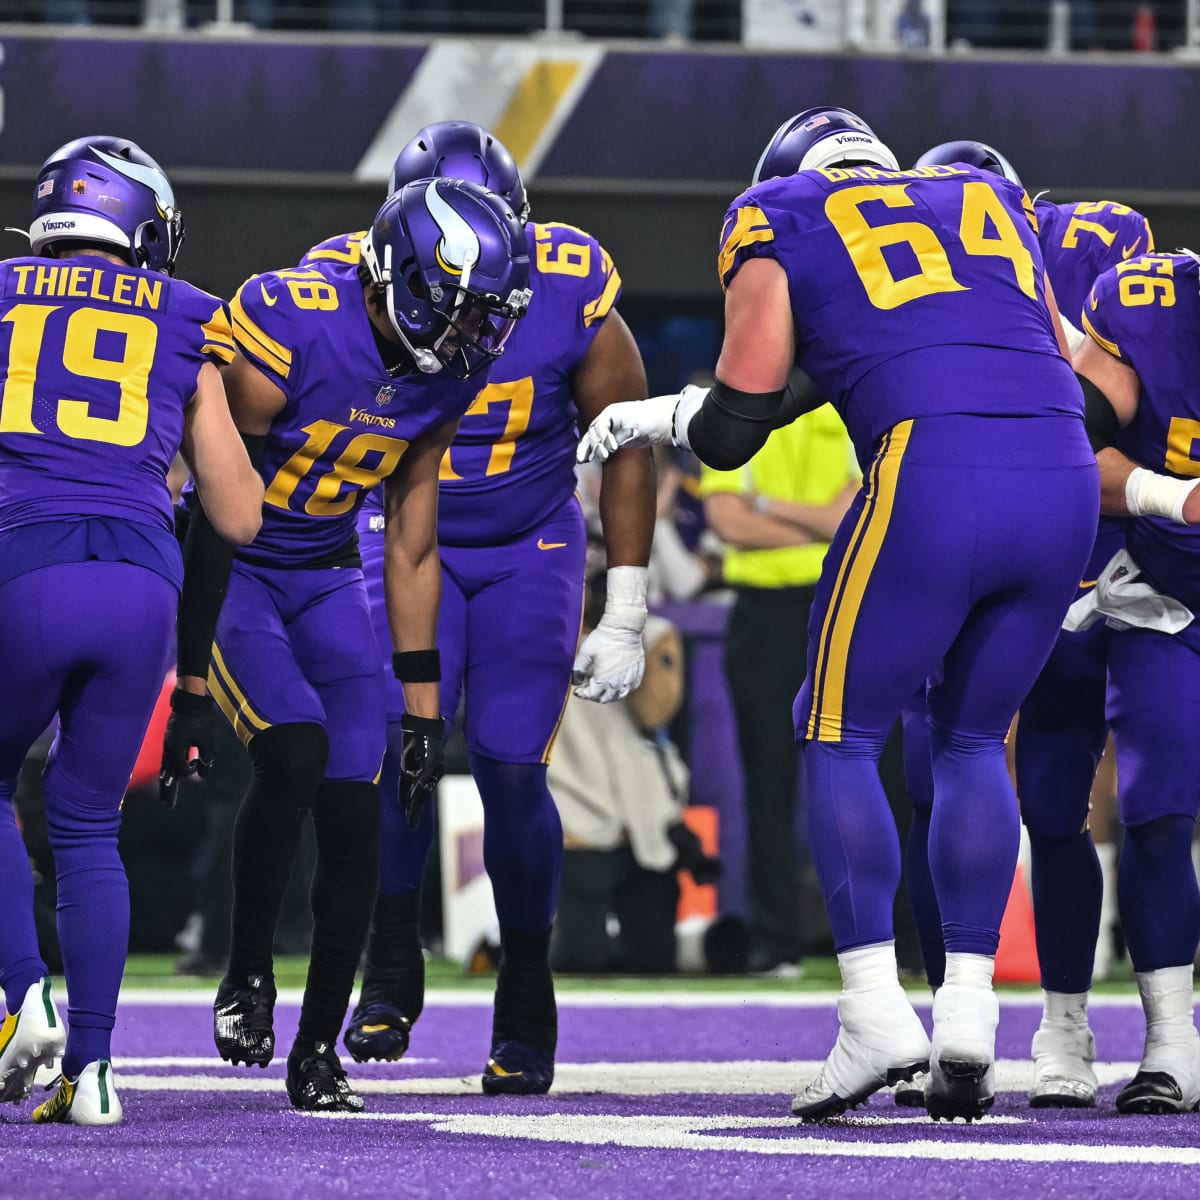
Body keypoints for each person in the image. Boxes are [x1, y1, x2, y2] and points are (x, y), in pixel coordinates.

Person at [579, 106, 1099, 1121]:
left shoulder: (778, 210)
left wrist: (657, 415)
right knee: (972, 741)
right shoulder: (986, 196)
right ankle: (967, 1008)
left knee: (836, 729)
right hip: (1066, 476)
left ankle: (873, 1010)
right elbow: (1052, 365)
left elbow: (734, 429)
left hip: (935, 474)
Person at [160, 176, 532, 1113]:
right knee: (293, 751)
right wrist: (193, 673)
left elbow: (410, 535)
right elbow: (207, 500)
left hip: (327, 569)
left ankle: (316, 1051)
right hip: (239, 565)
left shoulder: (446, 369)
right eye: (464, 313)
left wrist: (420, 705)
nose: (475, 339)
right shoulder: (292, 317)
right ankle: (247, 973)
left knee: (359, 792)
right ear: (407, 280)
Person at [303, 121, 655, 1095]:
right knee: (391, 753)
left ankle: (527, 987)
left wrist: (626, 599)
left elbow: (624, 437)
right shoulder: (339, 282)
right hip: (397, 535)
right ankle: (392, 952)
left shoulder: (569, 279)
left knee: (509, 769)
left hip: (527, 545)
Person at [0, 134, 263, 1125]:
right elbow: (238, 516)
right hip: (144, 579)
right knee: (84, 819)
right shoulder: (189, 314)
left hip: (24, 557)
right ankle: (96, 1072)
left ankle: (22, 998)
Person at [902, 139, 1154, 1109]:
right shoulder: (913, 265)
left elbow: (1114, 407)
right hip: (988, 532)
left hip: (1058, 536)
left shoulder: (1092, 250)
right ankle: (993, 1016)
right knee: (969, 785)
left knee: (1053, 794)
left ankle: (1058, 1020)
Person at [1070, 247, 1200, 1113]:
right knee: (1155, 806)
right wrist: (1171, 496)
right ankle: (1171, 1045)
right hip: (1171, 601)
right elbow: (1070, 445)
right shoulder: (1145, 305)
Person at [698, 398, 858, 973]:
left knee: (868, 772)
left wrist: (765, 506)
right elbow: (725, 521)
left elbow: (852, 517)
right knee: (767, 782)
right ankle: (777, 940)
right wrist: (815, 518)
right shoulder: (731, 412)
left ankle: (887, 939)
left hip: (842, 606)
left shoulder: (846, 409)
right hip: (764, 615)